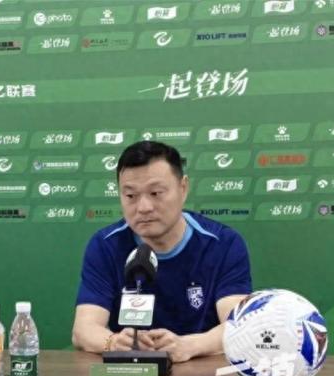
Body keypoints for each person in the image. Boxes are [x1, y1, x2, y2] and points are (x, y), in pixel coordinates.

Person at [72, 141, 251, 362]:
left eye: (156, 193)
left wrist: (188, 346)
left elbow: (238, 326)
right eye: (130, 196)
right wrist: (114, 342)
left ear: (183, 188)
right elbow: (84, 329)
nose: (144, 207)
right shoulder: (106, 246)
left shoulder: (223, 244)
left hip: (202, 372)